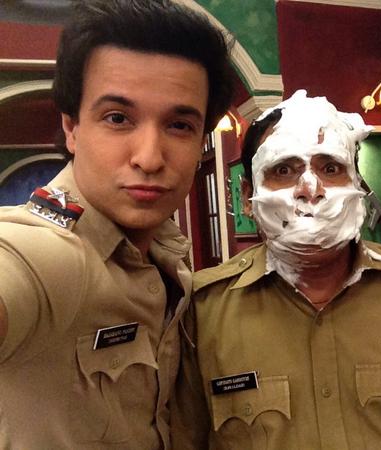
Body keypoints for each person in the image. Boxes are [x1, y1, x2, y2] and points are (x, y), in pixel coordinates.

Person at [172, 90, 381, 449]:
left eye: (330, 168)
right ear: (248, 196)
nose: (311, 190)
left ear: (356, 184)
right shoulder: (202, 308)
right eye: (283, 170)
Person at [0, 1, 233, 448]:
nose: (149, 157)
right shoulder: (48, 254)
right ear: (72, 127)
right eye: (118, 118)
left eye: (179, 125)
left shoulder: (170, 260)